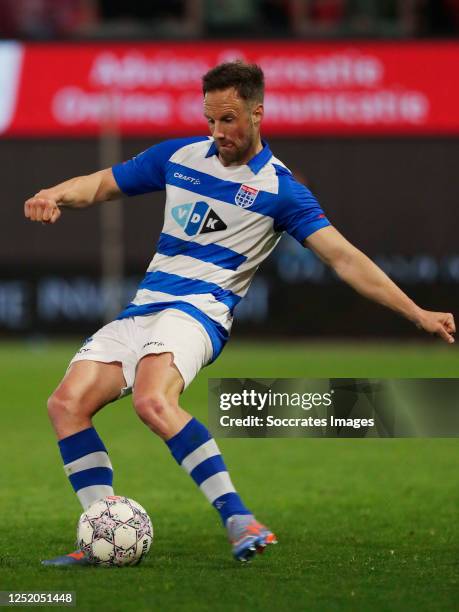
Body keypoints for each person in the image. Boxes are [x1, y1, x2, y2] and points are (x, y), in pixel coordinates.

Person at [24, 61, 455, 566]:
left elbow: (343, 259)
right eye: (210, 119)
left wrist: (417, 312)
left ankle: (238, 517)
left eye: (228, 119)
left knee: (152, 402)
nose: (217, 132)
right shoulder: (180, 157)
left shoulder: (281, 190)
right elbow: (100, 185)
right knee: (65, 404)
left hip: (198, 314)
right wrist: (54, 193)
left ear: (257, 113)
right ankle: (102, 535)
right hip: (142, 312)